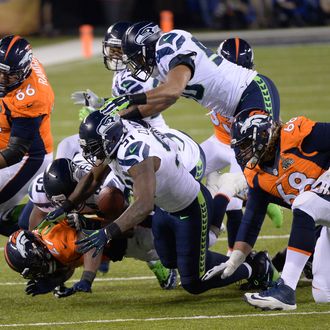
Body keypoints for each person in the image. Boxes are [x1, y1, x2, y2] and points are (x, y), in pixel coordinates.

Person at [46, 111, 278, 295]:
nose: (92, 154)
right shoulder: (117, 140)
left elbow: (144, 204)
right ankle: (227, 259)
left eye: (95, 147)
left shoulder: (136, 155)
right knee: (169, 259)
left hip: (190, 207)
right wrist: (66, 206)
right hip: (167, 207)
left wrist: (107, 233)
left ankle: (255, 267)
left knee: (193, 282)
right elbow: (93, 177)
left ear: (110, 139)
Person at [203, 110, 330, 310]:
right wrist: (235, 258)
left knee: (305, 202)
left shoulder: (297, 136)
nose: (242, 153)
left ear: (263, 135)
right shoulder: (258, 174)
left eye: (245, 145)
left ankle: (285, 290)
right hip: (326, 221)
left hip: (318, 207)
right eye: (239, 147)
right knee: (323, 294)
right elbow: (252, 218)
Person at [27, 155, 177, 290]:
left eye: (67, 199)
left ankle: (158, 258)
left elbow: (129, 225)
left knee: (142, 239)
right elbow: (38, 224)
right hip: (98, 219)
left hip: (144, 208)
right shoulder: (48, 191)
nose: (64, 204)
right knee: (60, 238)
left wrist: (90, 220)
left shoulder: (108, 189)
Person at [0, 35, 54, 235]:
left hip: (29, 157)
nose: (2, 79)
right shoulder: (14, 65)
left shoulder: (31, 97)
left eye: (9, 76)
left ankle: (54, 222)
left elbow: (15, 151)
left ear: (23, 71)